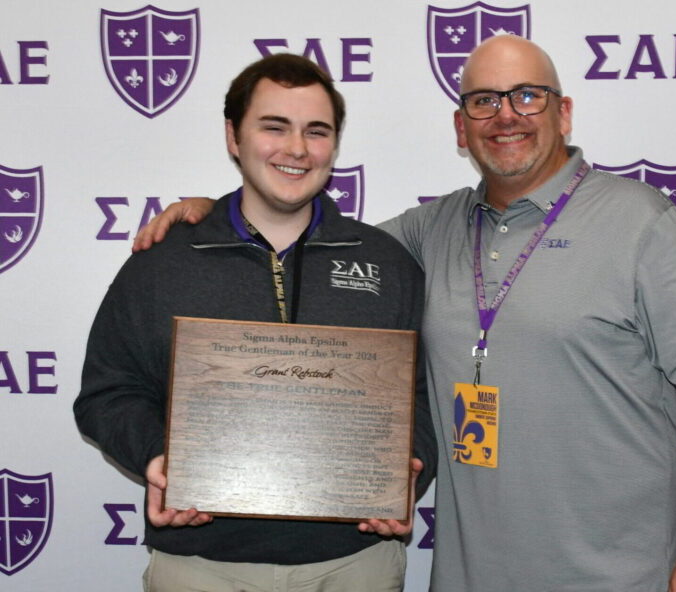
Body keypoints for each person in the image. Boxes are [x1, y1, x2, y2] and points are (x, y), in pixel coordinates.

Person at [133, 36, 676, 592]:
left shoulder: (641, 223)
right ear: (461, 129)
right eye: (484, 101)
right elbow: (306, 236)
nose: (506, 115)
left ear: (563, 112)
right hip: (473, 573)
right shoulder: (432, 229)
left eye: (527, 96)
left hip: (619, 573)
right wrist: (220, 212)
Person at [75, 53, 436, 592]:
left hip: (353, 564)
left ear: (334, 146)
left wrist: (409, 471)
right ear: (233, 136)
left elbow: (425, 399)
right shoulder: (163, 261)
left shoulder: (386, 262)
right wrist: (157, 457)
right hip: (200, 565)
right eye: (274, 127)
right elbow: (107, 392)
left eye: (316, 131)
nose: (295, 149)